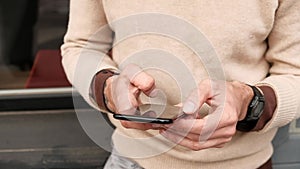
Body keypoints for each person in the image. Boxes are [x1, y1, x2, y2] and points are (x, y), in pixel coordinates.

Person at [61, 0, 300, 168]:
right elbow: (82, 46)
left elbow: (295, 73)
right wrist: (108, 88)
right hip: (133, 159)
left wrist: (248, 102)